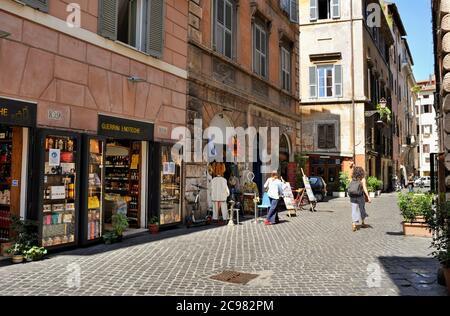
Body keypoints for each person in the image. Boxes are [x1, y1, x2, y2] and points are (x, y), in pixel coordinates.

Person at [348, 167, 371, 232]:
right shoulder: (362, 179)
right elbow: (365, 189)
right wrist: (368, 197)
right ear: (361, 172)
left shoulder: (352, 179)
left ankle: (354, 224)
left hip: (352, 196)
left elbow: (349, 187)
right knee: (362, 209)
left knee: (354, 210)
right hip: (360, 196)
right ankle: (363, 222)